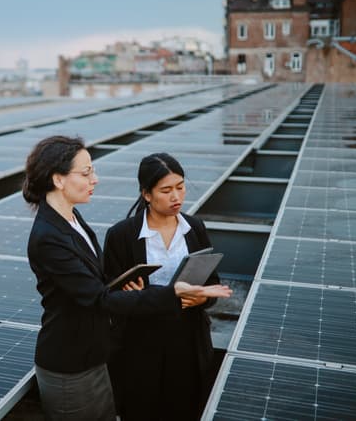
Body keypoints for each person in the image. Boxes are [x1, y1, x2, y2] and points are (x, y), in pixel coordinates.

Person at [23, 137, 232, 421]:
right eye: (86, 173)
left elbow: (100, 283)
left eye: (180, 188)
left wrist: (198, 296)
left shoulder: (72, 220)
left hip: (103, 353)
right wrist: (170, 294)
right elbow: (99, 297)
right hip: (76, 360)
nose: (95, 179)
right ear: (58, 179)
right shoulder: (50, 236)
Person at [103, 152, 223, 421]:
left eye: (180, 187)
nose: (176, 197)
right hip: (138, 346)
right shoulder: (121, 235)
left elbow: (211, 283)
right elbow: (110, 296)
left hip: (188, 342)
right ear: (146, 194)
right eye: (166, 190)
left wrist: (201, 299)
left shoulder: (194, 227)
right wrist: (163, 297)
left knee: (184, 409)